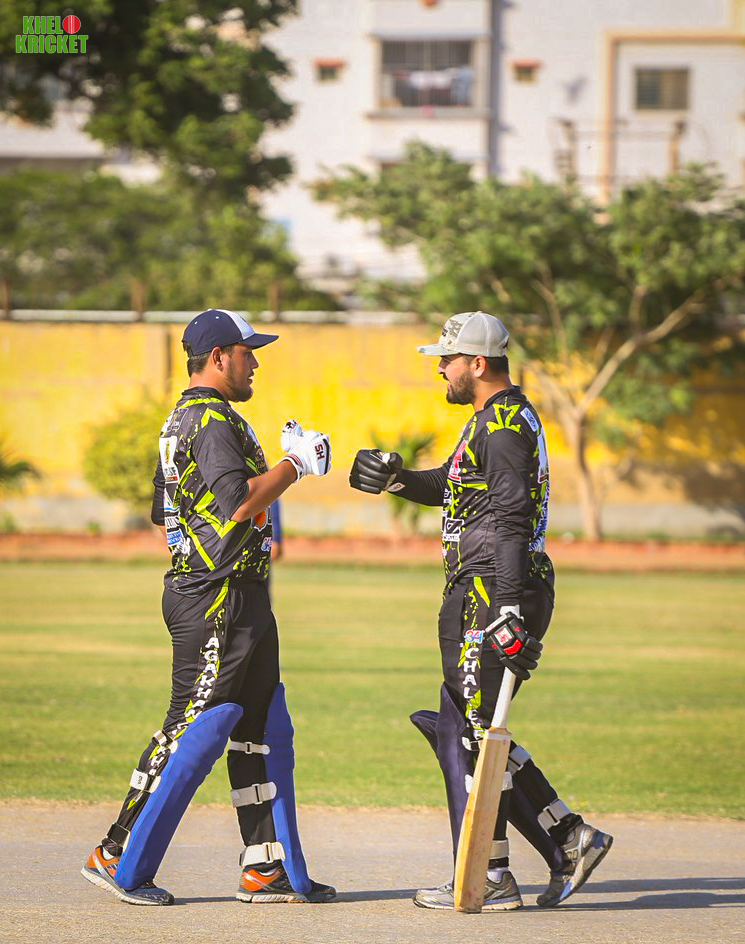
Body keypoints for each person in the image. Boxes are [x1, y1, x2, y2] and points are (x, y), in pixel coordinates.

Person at [350, 311, 613, 910]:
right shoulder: (495, 420)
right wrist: (395, 479)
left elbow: (513, 518)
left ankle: (493, 875)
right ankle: (567, 838)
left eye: (446, 360)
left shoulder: (501, 426)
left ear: (477, 363)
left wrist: (509, 607)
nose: (439, 370)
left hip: (492, 590)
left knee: (471, 733)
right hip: (485, 588)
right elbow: (453, 485)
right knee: (460, 728)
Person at [82, 308, 335, 906]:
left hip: (236, 594)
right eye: (248, 354)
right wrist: (295, 465)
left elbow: (165, 512)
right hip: (216, 597)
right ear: (219, 357)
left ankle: (266, 868)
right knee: (193, 727)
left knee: (260, 728)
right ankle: (117, 851)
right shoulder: (212, 418)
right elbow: (239, 502)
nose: (255, 364)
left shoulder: (181, 420)